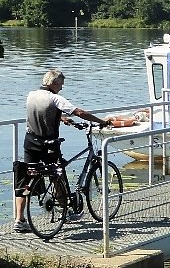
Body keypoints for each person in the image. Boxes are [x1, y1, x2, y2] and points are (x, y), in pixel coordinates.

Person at [13, 69, 112, 233]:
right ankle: (64, 212)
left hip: (30, 141)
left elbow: (42, 111)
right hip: (48, 144)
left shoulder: (32, 95)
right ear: (53, 83)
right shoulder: (55, 98)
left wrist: (61, 118)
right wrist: (101, 121)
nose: (62, 87)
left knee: (26, 178)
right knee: (57, 174)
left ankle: (19, 220)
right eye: (61, 84)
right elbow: (79, 112)